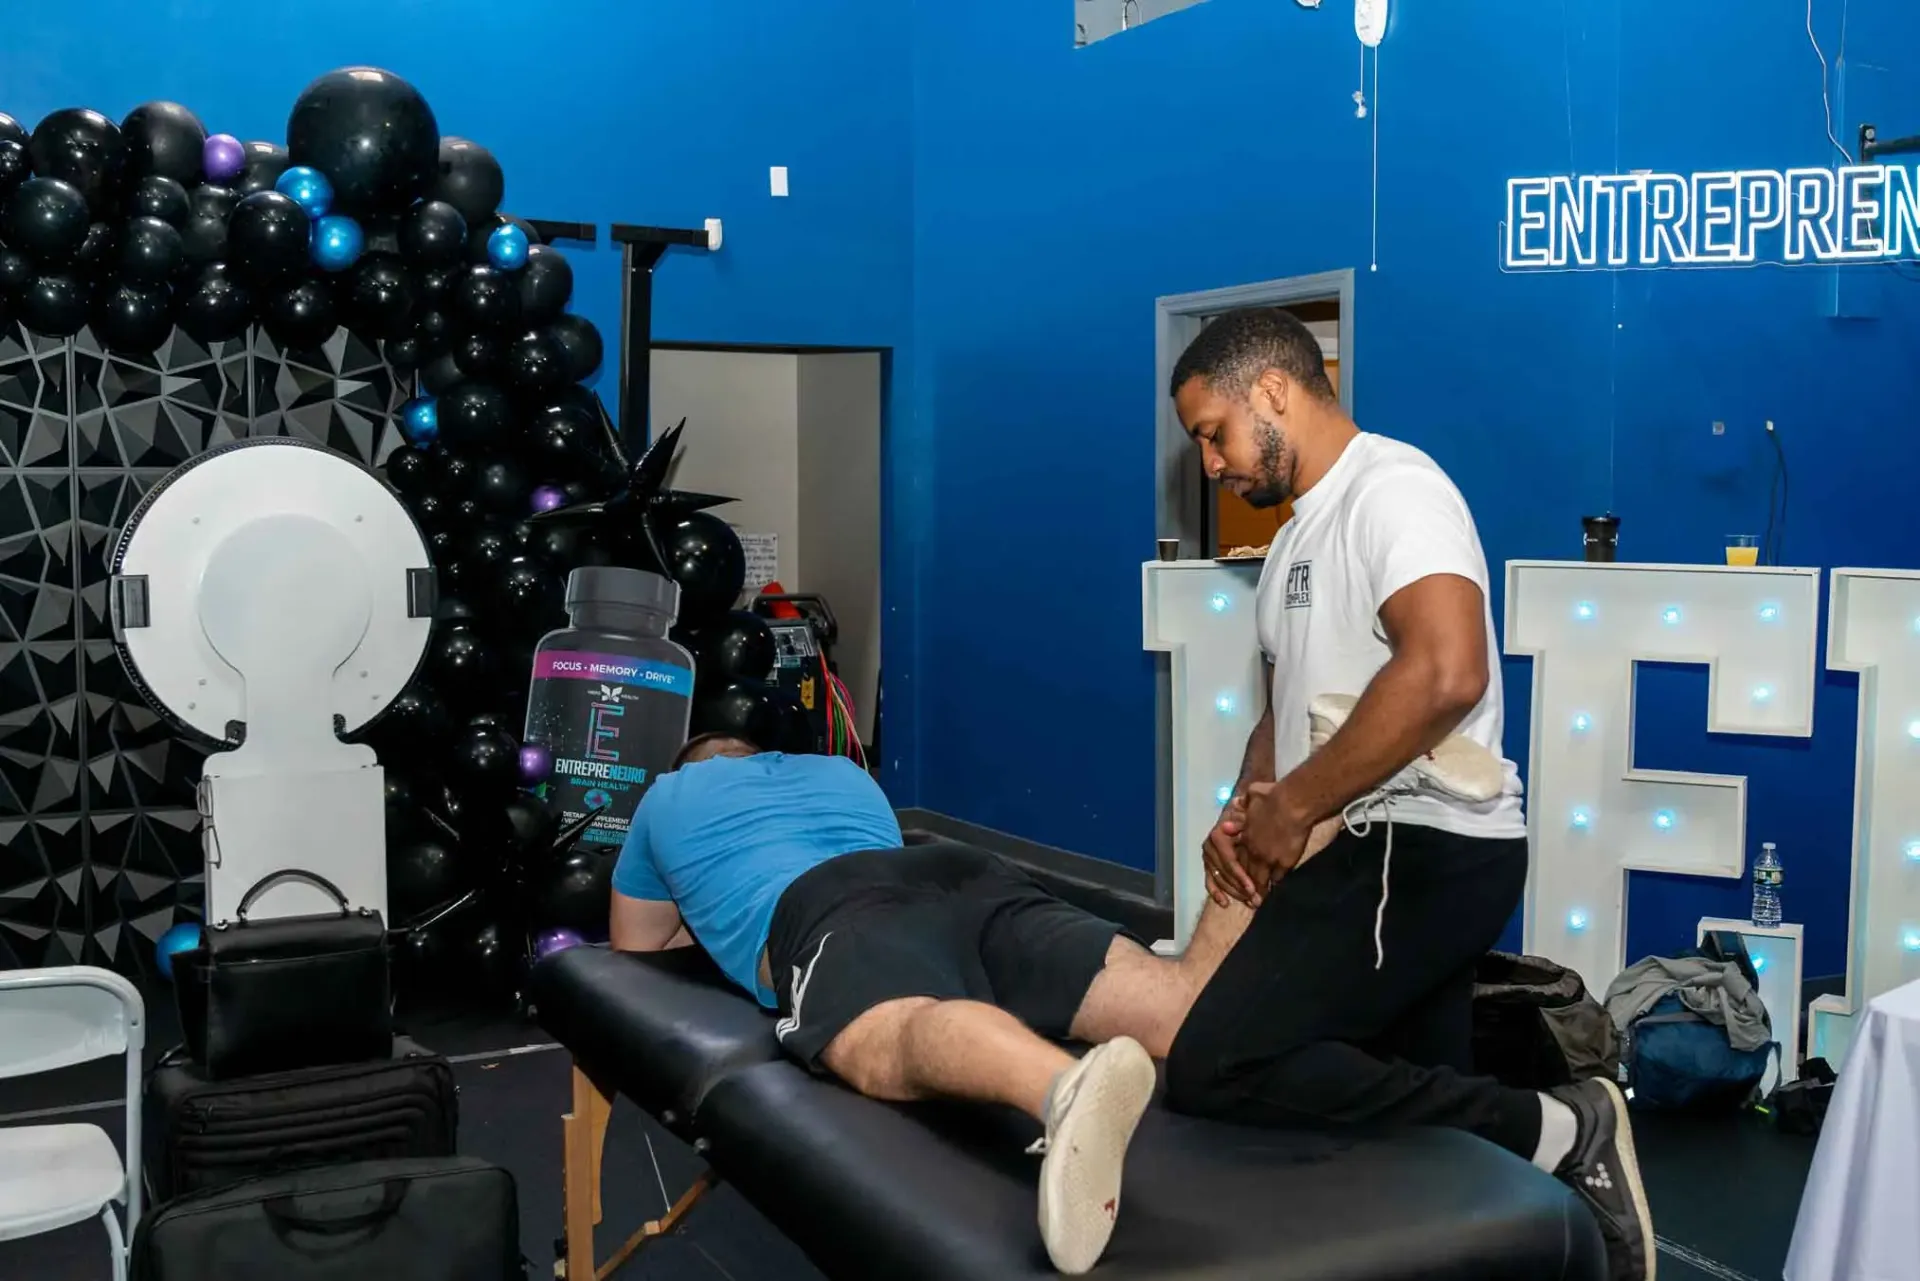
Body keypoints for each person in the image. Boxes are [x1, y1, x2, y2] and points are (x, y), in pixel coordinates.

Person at [1160, 307, 1654, 1281]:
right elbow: (1284, 710)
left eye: (1213, 433)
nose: (1210, 464)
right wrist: (1248, 802)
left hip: (1421, 841)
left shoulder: (1394, 490)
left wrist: (1296, 805)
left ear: (1273, 392)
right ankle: (1536, 1213)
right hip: (1375, 846)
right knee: (1418, 1116)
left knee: (1218, 1062)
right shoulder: (1292, 543)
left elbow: (1446, 671)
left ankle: (1566, 1125)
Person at [609, 732, 1247, 1275]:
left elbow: (638, 945)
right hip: (959, 870)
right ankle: (1251, 850)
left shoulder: (667, 795)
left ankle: (1061, 1088)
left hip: (826, 902)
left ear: (689, 765)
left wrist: (701, 907)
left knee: (889, 1031)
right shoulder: (839, 772)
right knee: (1167, 1007)